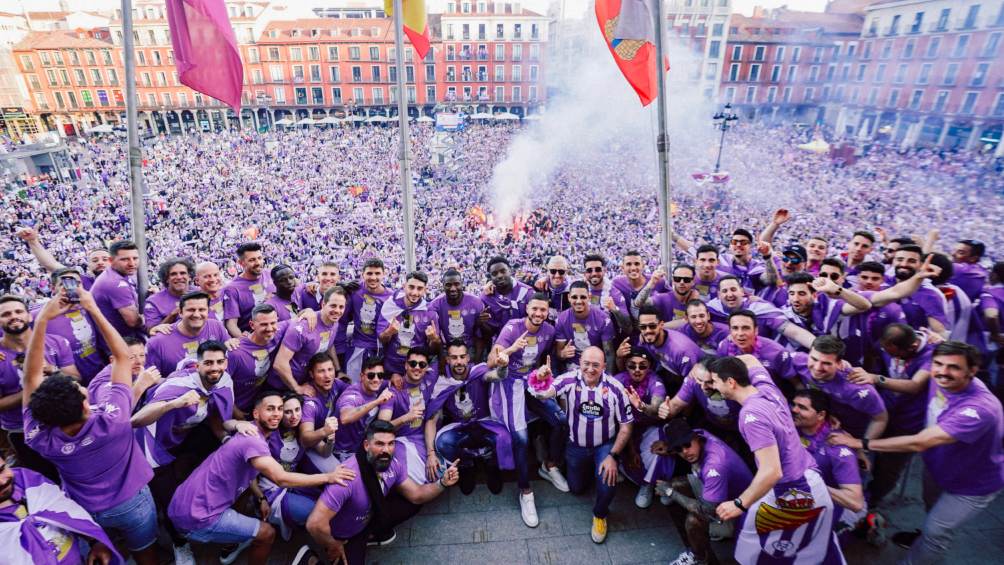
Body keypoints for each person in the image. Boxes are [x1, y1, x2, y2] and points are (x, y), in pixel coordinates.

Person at [829, 341, 1003, 564]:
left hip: (971, 486)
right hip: (938, 469)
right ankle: (924, 539)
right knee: (931, 512)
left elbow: (919, 443)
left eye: (954, 367)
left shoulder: (980, 409)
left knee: (936, 533)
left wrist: (859, 443)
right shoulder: (940, 376)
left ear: (972, 371)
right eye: (938, 364)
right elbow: (935, 341)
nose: (943, 372)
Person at [22, 284, 158, 565]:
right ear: (86, 404)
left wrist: (43, 319)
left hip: (82, 507)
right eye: (83, 392)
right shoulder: (114, 418)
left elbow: (30, 378)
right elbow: (122, 356)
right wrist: (92, 307)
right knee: (146, 551)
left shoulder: (38, 437)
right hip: (132, 502)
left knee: (100, 549)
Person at [167, 390, 355, 565]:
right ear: (256, 414)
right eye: (270, 409)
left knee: (246, 493)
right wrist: (328, 477)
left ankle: (237, 535)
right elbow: (281, 478)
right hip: (197, 518)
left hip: (181, 502)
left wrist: (237, 423)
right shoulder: (253, 441)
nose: (277, 414)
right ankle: (238, 537)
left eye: (280, 409)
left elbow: (228, 424)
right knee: (267, 534)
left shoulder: (249, 430)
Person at [707, 356, 845, 564]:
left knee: (777, 551)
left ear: (731, 382)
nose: (712, 386)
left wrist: (738, 504)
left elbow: (772, 471)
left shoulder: (751, 416)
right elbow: (750, 358)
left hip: (794, 490)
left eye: (715, 381)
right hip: (804, 476)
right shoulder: (767, 388)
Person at [304, 420, 460, 565]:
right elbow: (314, 523)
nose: (386, 450)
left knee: (412, 505)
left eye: (391, 443)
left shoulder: (394, 464)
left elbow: (417, 494)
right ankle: (308, 559)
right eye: (379, 444)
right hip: (344, 535)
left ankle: (373, 534)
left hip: (367, 520)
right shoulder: (347, 478)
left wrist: (442, 483)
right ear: (366, 445)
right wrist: (333, 544)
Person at [531, 347, 633, 544]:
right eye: (586, 364)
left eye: (596, 365)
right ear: (580, 364)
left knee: (608, 478)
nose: (590, 369)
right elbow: (543, 395)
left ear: (604, 366)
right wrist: (540, 378)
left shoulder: (615, 389)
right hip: (576, 446)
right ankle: (589, 473)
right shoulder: (569, 379)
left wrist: (613, 456)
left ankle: (600, 514)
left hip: (604, 446)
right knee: (576, 489)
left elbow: (627, 426)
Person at [486, 292, 567, 527]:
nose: (538, 314)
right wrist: (509, 351)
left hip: (531, 382)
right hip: (510, 384)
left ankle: (549, 465)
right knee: (520, 439)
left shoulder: (549, 331)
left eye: (543, 310)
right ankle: (525, 491)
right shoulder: (512, 328)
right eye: (535, 309)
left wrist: (543, 373)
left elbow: (544, 360)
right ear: (527, 309)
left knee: (560, 420)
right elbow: (492, 361)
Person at [848, 323, 933, 507]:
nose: (893, 357)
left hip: (907, 423)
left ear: (912, 347)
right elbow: (872, 352)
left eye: (896, 355)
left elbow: (915, 385)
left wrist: (876, 378)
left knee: (888, 469)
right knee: (862, 452)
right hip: (881, 410)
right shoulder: (888, 343)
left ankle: (872, 501)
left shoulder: (931, 355)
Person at [0, 294, 77, 481]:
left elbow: (75, 377)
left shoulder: (56, 342)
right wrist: (32, 386)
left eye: (18, 311)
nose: (13, 316)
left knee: (74, 473)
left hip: (62, 422)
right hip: (22, 430)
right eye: (6, 314)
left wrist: (53, 371)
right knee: (45, 478)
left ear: (30, 315)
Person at [656, 418, 752, 565]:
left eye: (687, 445)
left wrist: (670, 493)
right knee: (676, 484)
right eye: (678, 449)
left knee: (693, 521)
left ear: (695, 438)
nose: (685, 452)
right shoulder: (702, 435)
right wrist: (670, 450)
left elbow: (707, 511)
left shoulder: (715, 465)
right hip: (724, 493)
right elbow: (684, 446)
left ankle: (699, 557)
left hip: (739, 516)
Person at [425, 340, 512, 495]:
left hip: (484, 423)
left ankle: (491, 465)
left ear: (468, 358)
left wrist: (503, 366)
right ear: (448, 359)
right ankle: (466, 464)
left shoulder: (478, 371)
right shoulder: (443, 381)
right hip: (460, 427)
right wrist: (430, 453)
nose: (458, 361)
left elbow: (497, 375)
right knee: (443, 442)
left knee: (504, 437)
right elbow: (432, 419)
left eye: (462, 356)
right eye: (454, 357)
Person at [0, 461, 120, 565]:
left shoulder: (25, 480)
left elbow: (65, 509)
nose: (2, 481)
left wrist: (94, 541)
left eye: (1, 469)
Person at [791, 390, 866, 536]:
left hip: (835, 506)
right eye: (794, 404)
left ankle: (868, 525)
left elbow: (855, 502)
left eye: (803, 407)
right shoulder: (794, 425)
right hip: (803, 497)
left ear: (821, 415)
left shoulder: (837, 446)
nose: (794, 410)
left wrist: (809, 483)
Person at [789, 336, 888, 441]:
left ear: (839, 364)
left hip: (853, 435)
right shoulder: (798, 361)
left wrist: (861, 444)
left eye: (826, 363)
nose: (817, 368)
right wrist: (797, 385)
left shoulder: (857, 389)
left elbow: (880, 419)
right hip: (820, 429)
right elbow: (779, 360)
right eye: (814, 359)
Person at [614, 348, 666, 508]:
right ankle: (618, 467)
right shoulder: (618, 381)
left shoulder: (655, 382)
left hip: (647, 427)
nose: (637, 370)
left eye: (642, 366)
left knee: (659, 448)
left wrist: (642, 406)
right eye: (632, 365)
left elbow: (657, 408)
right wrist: (630, 450)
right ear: (626, 366)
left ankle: (648, 485)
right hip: (622, 428)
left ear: (650, 367)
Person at [35, 267, 106, 382]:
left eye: (77, 283)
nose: (71, 287)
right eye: (64, 284)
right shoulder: (40, 315)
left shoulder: (88, 306)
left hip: (99, 373)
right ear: (53, 288)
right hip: (69, 381)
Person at [271, 287, 346, 394]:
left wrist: (338, 370)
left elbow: (329, 345)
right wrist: (297, 388)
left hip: (305, 380)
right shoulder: (304, 326)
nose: (337, 311)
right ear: (323, 305)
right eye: (333, 306)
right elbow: (279, 363)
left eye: (341, 307)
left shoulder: (334, 322)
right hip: (282, 385)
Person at [378, 348, 435, 485]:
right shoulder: (394, 390)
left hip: (428, 438)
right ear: (405, 365)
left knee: (433, 477)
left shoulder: (431, 379)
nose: (417, 368)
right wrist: (405, 418)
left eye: (422, 365)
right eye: (413, 363)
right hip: (403, 442)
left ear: (427, 367)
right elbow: (380, 427)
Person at [145, 291, 231, 378]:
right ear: (180, 312)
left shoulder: (216, 327)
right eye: (191, 310)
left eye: (201, 310)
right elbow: (149, 382)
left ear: (208, 311)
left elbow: (228, 357)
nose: (196, 315)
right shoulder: (158, 342)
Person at [377, 271, 440, 379]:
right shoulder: (391, 305)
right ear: (404, 286)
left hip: (416, 369)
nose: (415, 293)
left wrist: (434, 339)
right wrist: (389, 332)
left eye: (420, 289)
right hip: (392, 369)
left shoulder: (429, 312)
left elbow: (434, 349)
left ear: (425, 290)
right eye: (411, 287)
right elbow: (381, 339)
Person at [333, 356, 395, 461]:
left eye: (380, 375)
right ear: (362, 377)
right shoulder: (353, 395)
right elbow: (345, 418)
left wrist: (395, 376)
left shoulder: (377, 385)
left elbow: (392, 381)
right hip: (343, 452)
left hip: (361, 447)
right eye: (371, 376)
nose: (376, 379)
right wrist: (377, 401)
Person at [227, 304, 284, 418]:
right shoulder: (235, 352)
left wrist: (308, 311)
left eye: (273, 323)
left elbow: (297, 321)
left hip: (260, 407)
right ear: (252, 325)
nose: (269, 328)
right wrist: (235, 412)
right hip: (235, 411)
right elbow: (219, 386)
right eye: (263, 324)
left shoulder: (278, 334)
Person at [298, 354, 349, 475]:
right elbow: (305, 438)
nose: (327, 376)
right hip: (309, 447)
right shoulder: (309, 402)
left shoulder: (336, 384)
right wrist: (325, 431)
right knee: (342, 475)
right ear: (311, 374)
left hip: (326, 441)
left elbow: (356, 390)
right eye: (321, 371)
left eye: (330, 370)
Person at [16, 226, 110, 290]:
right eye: (95, 260)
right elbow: (51, 264)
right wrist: (33, 241)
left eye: (105, 259)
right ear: (88, 266)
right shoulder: (82, 281)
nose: (100, 262)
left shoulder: (124, 279)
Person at [345, 258, 393, 380]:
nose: (373, 277)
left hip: (382, 350)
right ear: (362, 274)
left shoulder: (391, 297)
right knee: (354, 384)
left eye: (377, 273)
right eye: (369, 273)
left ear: (384, 274)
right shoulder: (354, 289)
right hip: (358, 347)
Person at [554, 281, 617, 373]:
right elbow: (559, 353)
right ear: (568, 298)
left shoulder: (603, 319)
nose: (579, 301)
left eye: (583, 297)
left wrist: (608, 378)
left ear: (589, 297)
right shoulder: (561, 319)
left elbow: (609, 354)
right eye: (574, 297)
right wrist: (563, 354)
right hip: (572, 366)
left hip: (596, 364)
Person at [634, 304, 703, 386]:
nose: (647, 330)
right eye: (643, 327)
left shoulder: (682, 352)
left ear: (661, 325)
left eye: (652, 326)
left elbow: (693, 385)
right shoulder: (644, 339)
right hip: (670, 372)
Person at [90, 240, 145, 340]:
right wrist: (150, 316)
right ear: (111, 261)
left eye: (135, 258)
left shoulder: (117, 273)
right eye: (125, 259)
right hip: (120, 342)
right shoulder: (115, 282)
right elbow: (133, 321)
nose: (132, 263)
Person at [428, 268, 485, 358]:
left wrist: (477, 360)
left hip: (469, 348)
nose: (453, 289)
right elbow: (436, 339)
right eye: (448, 285)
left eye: (456, 284)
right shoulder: (435, 306)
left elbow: (479, 336)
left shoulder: (476, 303)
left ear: (462, 283)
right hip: (447, 349)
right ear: (442, 285)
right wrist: (442, 359)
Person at [222, 242, 275, 337]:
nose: (258, 263)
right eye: (252, 260)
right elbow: (231, 324)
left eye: (259, 258)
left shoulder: (271, 274)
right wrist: (243, 339)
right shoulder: (232, 289)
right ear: (241, 263)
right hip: (255, 339)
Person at [480, 255, 534, 339]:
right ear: (490, 277)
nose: (499, 276)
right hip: (501, 344)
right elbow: (489, 332)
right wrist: (481, 322)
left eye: (503, 271)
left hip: (526, 341)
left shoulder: (527, 293)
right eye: (494, 274)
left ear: (510, 270)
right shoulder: (486, 298)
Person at [145, 258, 195, 330]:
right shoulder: (153, 302)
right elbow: (152, 332)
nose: (179, 277)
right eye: (173, 274)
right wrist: (173, 315)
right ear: (167, 279)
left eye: (183, 273)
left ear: (189, 277)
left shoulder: (201, 293)